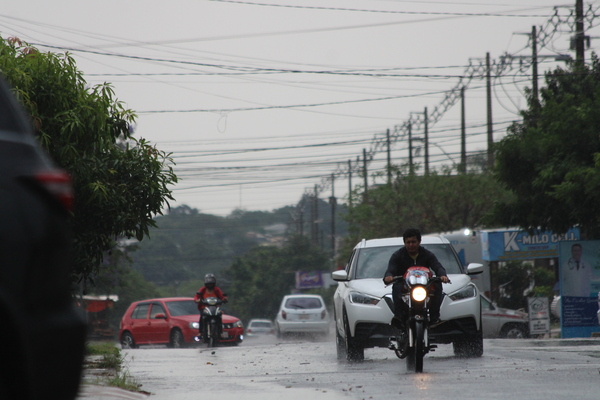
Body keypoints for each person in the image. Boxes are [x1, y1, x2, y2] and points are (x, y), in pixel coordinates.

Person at [383, 228, 450, 328]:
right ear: (404, 243)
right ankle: (399, 317)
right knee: (397, 285)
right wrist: (389, 276)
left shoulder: (428, 254)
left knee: (437, 284)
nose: (411, 245)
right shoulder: (397, 255)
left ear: (419, 241)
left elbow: (437, 266)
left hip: (424, 286)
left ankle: (434, 317)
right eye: (408, 242)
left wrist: (443, 275)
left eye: (413, 242)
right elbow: (391, 269)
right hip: (405, 286)